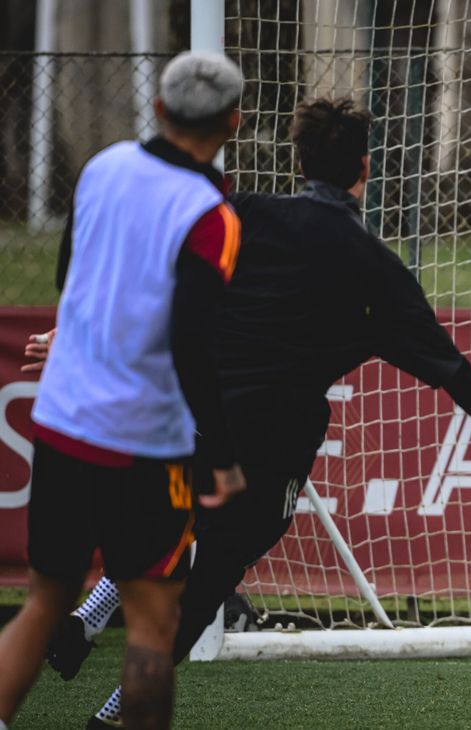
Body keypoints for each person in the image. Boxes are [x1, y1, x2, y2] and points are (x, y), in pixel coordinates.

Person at [35, 97, 471, 728]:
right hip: (275, 433)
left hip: (194, 403)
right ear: (365, 168)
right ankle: (116, 713)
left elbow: (160, 278)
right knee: (215, 569)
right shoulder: (371, 262)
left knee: (173, 520)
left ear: (300, 160)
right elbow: (435, 352)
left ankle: (89, 615)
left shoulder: (244, 214)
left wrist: (76, 336)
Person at [0, 52, 247, 730]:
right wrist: (221, 456)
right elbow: (192, 343)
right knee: (151, 617)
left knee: (45, 600)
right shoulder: (212, 216)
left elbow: (73, 281)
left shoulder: (102, 167)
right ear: (235, 121)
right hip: (144, 441)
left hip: (61, 421)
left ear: (161, 111)